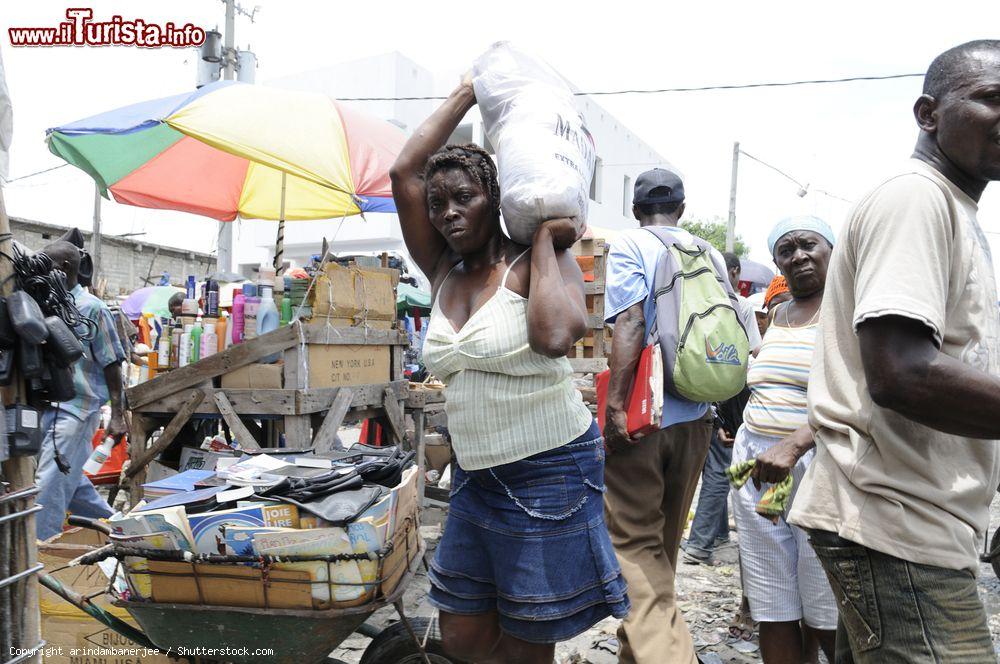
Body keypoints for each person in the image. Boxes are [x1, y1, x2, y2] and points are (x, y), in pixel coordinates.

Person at [390, 77, 629, 664]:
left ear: (495, 199)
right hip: (477, 474)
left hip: (549, 469)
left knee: (527, 636)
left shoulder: (531, 262)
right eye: (439, 203)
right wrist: (469, 93)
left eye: (464, 197)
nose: (447, 213)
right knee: (463, 633)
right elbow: (403, 174)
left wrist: (547, 240)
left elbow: (553, 337)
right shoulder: (440, 266)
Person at [788, 40, 1000, 663]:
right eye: (990, 99)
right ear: (927, 114)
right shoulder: (917, 197)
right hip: (897, 520)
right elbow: (901, 373)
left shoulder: (956, 211)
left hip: (913, 514)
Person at [602, 167, 747, 664]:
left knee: (634, 549)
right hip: (698, 419)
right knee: (661, 550)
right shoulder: (708, 254)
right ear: (682, 209)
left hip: (645, 418)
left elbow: (630, 320)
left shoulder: (630, 245)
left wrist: (615, 410)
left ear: (637, 210)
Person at [731, 216, 838, 664]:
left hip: (819, 468)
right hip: (758, 466)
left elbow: (857, 398)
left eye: (808, 244)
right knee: (772, 600)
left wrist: (795, 444)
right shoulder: (777, 314)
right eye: (786, 249)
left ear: (831, 249)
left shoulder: (846, 312)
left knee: (825, 606)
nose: (798, 256)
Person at [35, 241, 127, 540]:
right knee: (69, 483)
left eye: (45, 266)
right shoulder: (43, 302)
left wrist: (118, 415)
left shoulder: (93, 308)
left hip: (77, 409)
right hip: (45, 407)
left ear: (63, 269)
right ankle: (124, 532)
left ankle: (40, 551)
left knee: (49, 484)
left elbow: (113, 363)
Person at [682, 252, 762, 565]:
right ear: (734, 272)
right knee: (719, 469)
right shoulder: (739, 304)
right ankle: (703, 542)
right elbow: (753, 351)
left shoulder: (698, 300)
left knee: (715, 464)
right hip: (731, 392)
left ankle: (712, 537)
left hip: (702, 390)